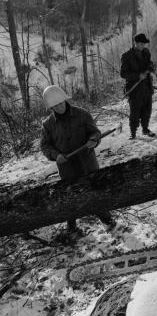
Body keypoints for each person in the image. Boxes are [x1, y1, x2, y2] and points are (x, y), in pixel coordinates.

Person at [40, 85, 115, 233]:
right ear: (51, 108)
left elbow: (94, 133)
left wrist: (94, 140)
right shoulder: (47, 125)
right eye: (55, 106)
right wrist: (56, 156)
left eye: (61, 103)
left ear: (65, 99)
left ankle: (107, 220)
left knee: (94, 192)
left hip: (88, 163)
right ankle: (72, 227)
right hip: (67, 169)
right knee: (70, 196)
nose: (60, 107)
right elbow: (45, 146)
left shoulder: (82, 114)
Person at [120, 33, 156, 140]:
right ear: (136, 43)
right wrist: (138, 76)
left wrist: (152, 67)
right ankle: (133, 133)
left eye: (144, 44)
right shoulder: (127, 56)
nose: (143, 46)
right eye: (141, 44)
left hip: (147, 87)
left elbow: (149, 64)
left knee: (147, 110)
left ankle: (145, 129)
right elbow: (123, 74)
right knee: (135, 112)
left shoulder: (146, 52)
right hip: (134, 89)